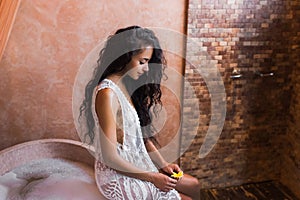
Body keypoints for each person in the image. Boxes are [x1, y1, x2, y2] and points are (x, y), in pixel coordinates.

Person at [80, 25, 200, 200]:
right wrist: (153, 177)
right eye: (142, 62)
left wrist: (164, 165)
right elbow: (109, 157)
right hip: (117, 174)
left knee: (194, 184)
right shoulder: (107, 94)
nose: (147, 69)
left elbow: (140, 137)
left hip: (136, 165)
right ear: (124, 57)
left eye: (148, 63)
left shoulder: (126, 85)